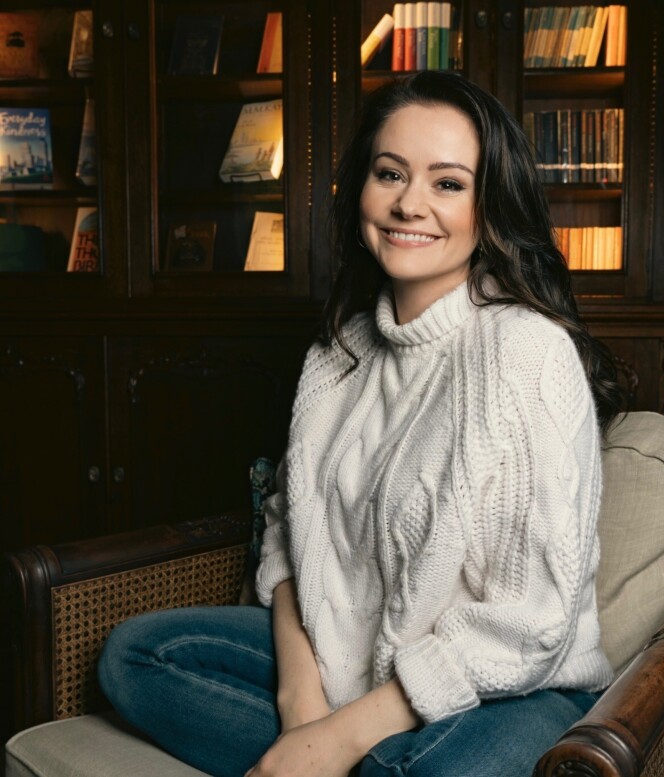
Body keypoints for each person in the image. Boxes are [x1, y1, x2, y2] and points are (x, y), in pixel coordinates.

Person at [98, 71, 624, 777]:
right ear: (362, 191)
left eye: (447, 183)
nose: (410, 204)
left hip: (509, 685)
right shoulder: (337, 352)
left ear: (488, 205)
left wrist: (343, 739)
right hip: (346, 660)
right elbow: (287, 535)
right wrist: (303, 707)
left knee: (435, 770)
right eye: (390, 173)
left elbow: (528, 624)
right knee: (132, 656)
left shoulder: (524, 352)